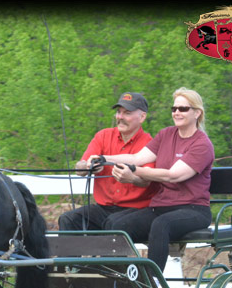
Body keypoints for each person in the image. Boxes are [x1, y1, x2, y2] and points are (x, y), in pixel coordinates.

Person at [95, 87, 214, 271]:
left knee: (162, 224)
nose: (177, 112)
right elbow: (136, 158)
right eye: (174, 109)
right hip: (161, 206)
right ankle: (115, 278)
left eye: (183, 109)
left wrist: (135, 171)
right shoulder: (166, 134)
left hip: (193, 209)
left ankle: (151, 281)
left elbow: (173, 175)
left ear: (197, 113)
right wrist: (105, 159)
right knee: (116, 223)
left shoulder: (202, 144)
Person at [58, 92, 159, 231]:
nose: (120, 117)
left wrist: (131, 178)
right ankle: (72, 253)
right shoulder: (103, 136)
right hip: (103, 208)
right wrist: (88, 167)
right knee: (68, 219)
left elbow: (147, 180)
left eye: (127, 113)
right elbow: (79, 168)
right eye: (118, 112)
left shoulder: (149, 144)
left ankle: (108, 254)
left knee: (114, 224)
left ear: (142, 117)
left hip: (135, 210)